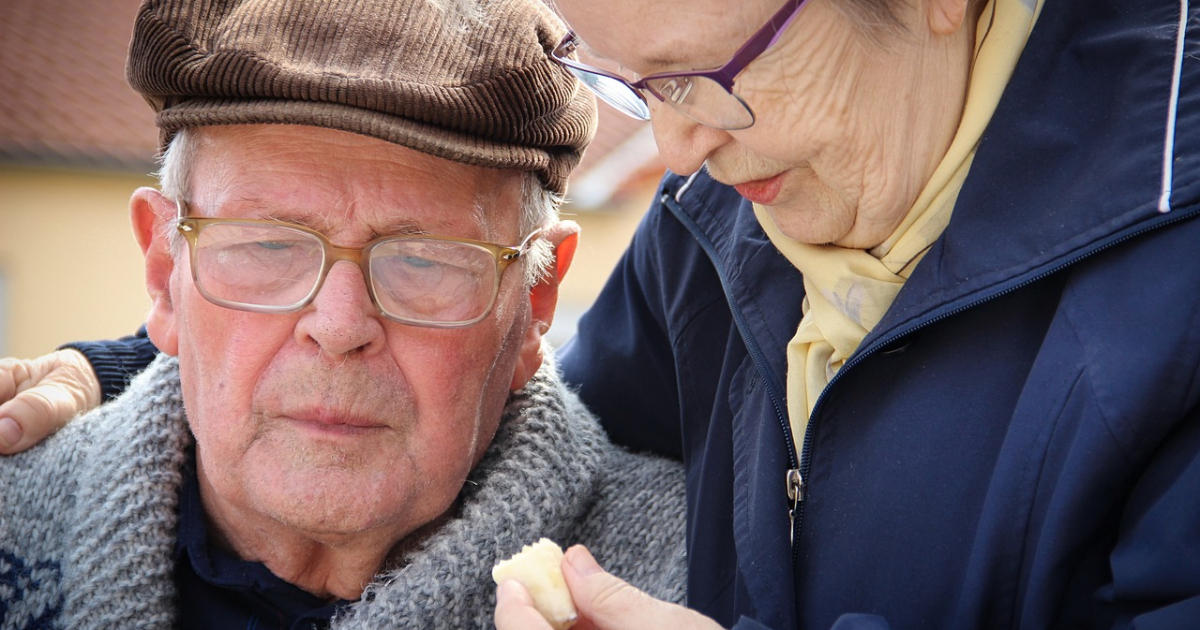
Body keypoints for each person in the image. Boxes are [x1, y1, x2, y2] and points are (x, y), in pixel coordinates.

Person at [5, 0, 1200, 628]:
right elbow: (488, 390)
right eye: (632, 86)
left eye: (712, 72)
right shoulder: (720, 225)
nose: (676, 150)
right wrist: (123, 382)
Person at [0, 0, 687, 627]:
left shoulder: (696, 577)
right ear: (163, 272)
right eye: (268, 245)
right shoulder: (12, 517)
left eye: (422, 260)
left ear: (534, 303)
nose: (337, 326)